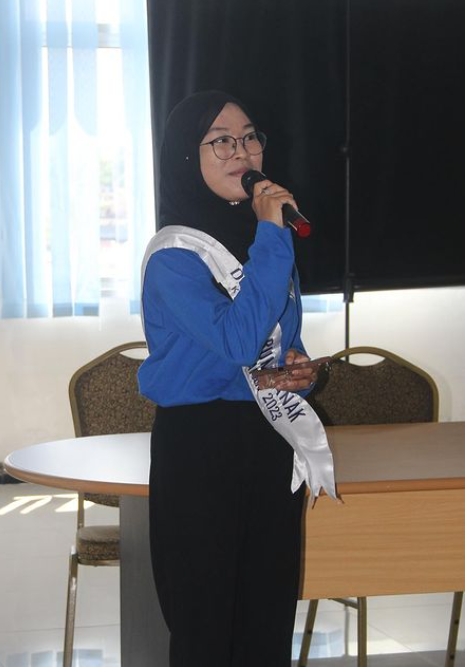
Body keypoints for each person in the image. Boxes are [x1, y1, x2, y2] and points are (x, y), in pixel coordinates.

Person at [138, 90, 331, 667]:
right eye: (220, 140)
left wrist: (297, 373)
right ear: (185, 156)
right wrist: (272, 235)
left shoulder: (261, 240)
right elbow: (239, 341)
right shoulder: (174, 256)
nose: (242, 152)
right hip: (201, 448)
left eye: (249, 137)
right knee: (204, 625)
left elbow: (273, 342)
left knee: (266, 619)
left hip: (268, 439)